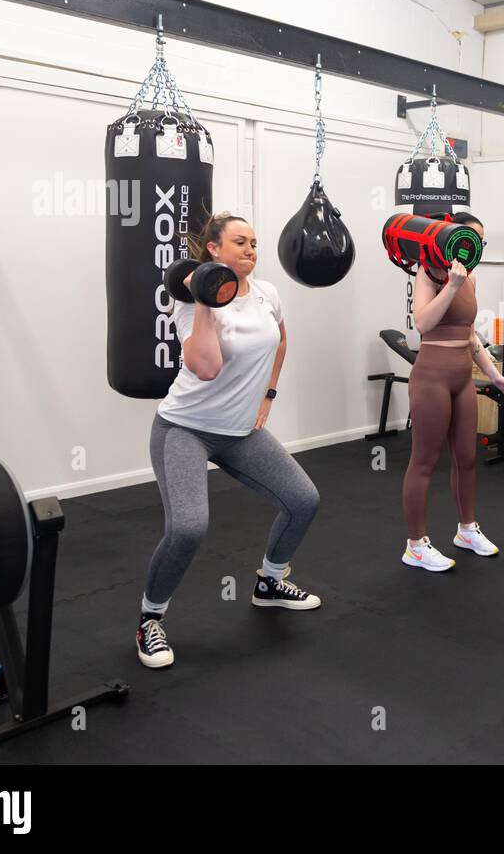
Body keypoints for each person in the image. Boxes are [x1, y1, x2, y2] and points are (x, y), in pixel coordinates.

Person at [136, 213, 321, 669]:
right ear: (214, 250)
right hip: (185, 428)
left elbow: (280, 340)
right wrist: (203, 300)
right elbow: (207, 367)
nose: (251, 250)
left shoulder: (267, 294)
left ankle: (270, 581)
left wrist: (268, 395)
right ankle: (150, 619)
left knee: (303, 500)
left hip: (240, 432)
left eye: (255, 243)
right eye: (240, 242)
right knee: (188, 527)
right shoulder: (187, 303)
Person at [401, 213, 504, 571]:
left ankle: (466, 529)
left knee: (466, 458)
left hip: (461, 378)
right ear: (449, 239)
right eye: (470, 240)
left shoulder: (470, 277)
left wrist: (495, 375)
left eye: (480, 243)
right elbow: (422, 322)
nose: (474, 249)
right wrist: (450, 286)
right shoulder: (429, 272)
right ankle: (415, 545)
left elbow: (469, 335)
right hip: (432, 378)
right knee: (424, 461)